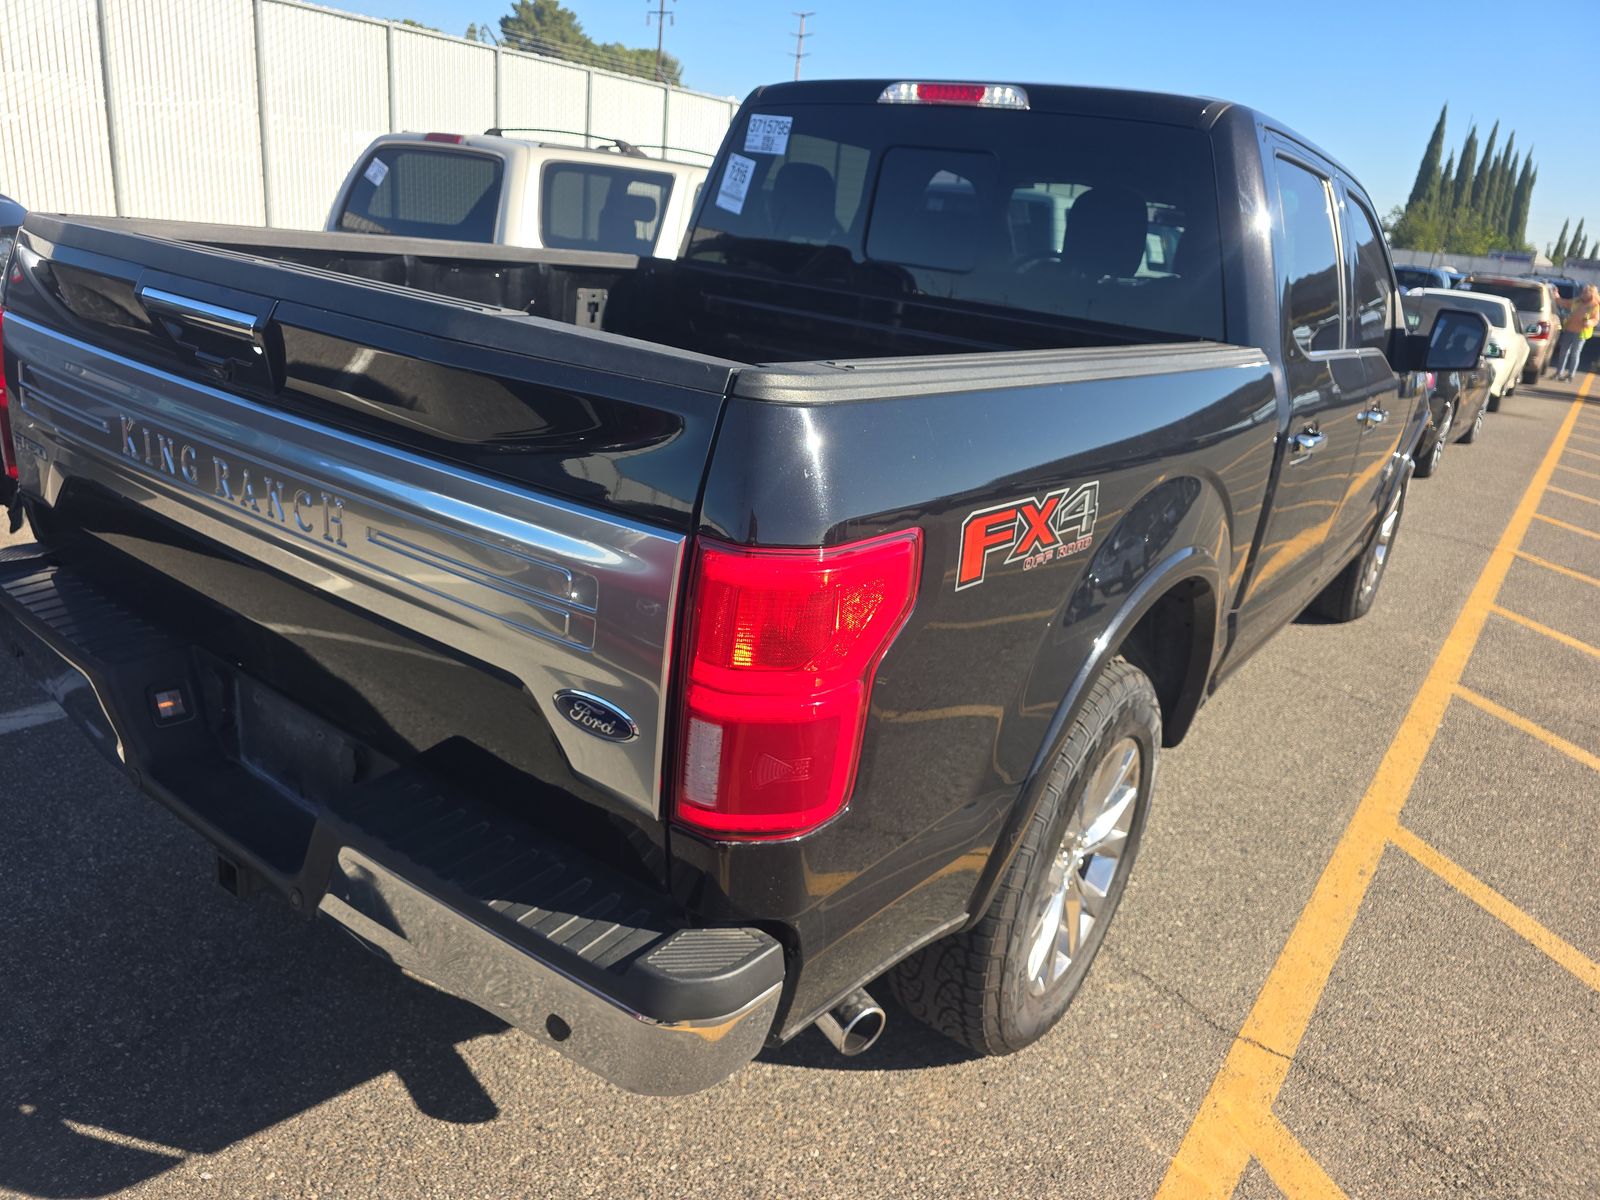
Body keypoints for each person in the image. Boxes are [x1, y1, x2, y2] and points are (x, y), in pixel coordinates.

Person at [1553, 283, 1600, 381]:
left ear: (1592, 293)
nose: (1584, 293)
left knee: (1575, 353)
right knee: (1563, 352)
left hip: (1581, 332)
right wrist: (1556, 296)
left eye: (1586, 291)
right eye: (1583, 291)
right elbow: (1564, 303)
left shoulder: (1594, 305)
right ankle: (1559, 373)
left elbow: (1595, 319)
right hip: (1570, 329)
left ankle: (1570, 375)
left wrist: (1589, 322)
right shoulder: (1577, 301)